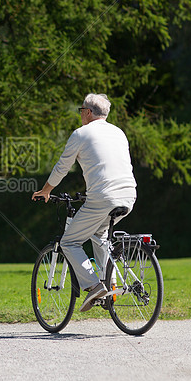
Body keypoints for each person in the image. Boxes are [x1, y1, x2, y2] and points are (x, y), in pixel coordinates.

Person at [31, 93, 137, 312]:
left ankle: (94, 285)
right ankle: (111, 284)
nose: (81, 115)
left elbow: (62, 167)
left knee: (69, 242)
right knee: (99, 236)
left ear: (88, 112)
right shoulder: (119, 132)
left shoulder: (81, 134)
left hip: (102, 197)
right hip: (129, 195)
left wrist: (46, 190)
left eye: (81, 111)